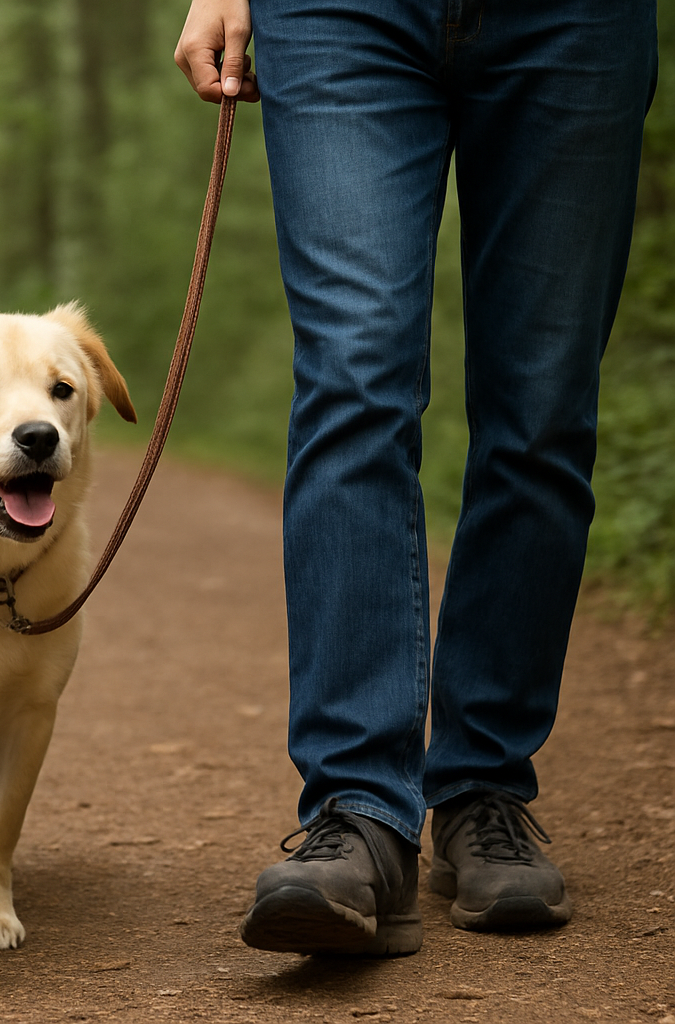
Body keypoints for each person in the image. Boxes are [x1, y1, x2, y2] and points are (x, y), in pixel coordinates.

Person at [176, 0, 657, 955]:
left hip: (580, 23)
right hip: (337, 15)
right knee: (354, 374)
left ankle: (483, 787)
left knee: (543, 405)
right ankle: (359, 813)